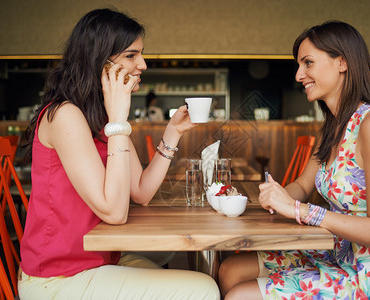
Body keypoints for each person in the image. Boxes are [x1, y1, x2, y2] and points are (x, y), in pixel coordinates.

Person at [219, 21, 370, 299]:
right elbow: (301, 185)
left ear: (342, 63)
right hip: (336, 252)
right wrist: (273, 198)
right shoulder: (332, 128)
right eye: (299, 65)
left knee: (240, 295)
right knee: (230, 270)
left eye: (308, 63)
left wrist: (300, 210)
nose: (299, 75)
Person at [18, 8, 219, 299]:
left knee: (184, 271)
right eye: (131, 55)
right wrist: (118, 121)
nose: (143, 64)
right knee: (204, 290)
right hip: (58, 277)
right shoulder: (65, 115)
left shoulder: (100, 117)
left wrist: (172, 133)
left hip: (99, 259)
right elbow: (114, 212)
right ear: (100, 60)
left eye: (141, 54)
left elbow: (141, 192)